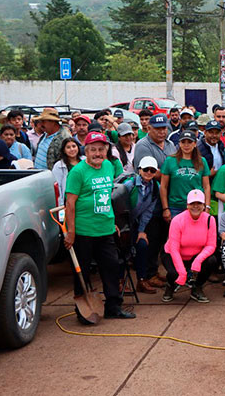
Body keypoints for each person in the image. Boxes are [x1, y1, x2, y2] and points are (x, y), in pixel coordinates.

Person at [64, 132, 135, 322]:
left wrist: (112, 222)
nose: (97, 153)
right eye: (93, 150)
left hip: (105, 229)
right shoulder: (77, 172)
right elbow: (70, 203)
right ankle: (83, 311)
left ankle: (113, 307)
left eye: (101, 149)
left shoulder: (108, 166)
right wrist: (70, 232)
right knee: (83, 273)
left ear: (106, 151)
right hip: (83, 231)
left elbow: (106, 196)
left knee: (111, 268)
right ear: (85, 151)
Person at [161, 189, 218, 303]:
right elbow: (174, 248)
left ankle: (197, 287)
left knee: (212, 261)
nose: (195, 206)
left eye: (199, 203)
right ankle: (170, 285)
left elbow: (211, 245)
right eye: (192, 203)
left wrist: (198, 261)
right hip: (173, 254)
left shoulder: (209, 220)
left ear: (204, 205)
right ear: (187, 205)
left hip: (195, 255)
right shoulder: (177, 220)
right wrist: (182, 272)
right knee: (174, 273)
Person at [121, 156, 163, 294]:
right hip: (121, 223)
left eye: (152, 170)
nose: (149, 173)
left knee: (143, 245)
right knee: (122, 252)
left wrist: (141, 231)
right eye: (146, 169)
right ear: (139, 169)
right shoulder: (129, 185)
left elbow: (148, 211)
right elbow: (118, 206)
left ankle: (141, 280)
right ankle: (119, 281)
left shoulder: (155, 187)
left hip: (135, 223)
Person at [160, 130, 211, 219]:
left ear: (195, 144)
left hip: (196, 205)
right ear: (179, 144)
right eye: (183, 142)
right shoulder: (170, 161)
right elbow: (163, 186)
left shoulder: (202, 161)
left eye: (189, 142)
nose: (186, 145)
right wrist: (165, 208)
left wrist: (207, 206)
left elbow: (206, 186)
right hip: (175, 206)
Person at [52, 138, 83, 205]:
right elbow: (58, 188)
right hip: (68, 201)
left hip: (84, 199)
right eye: (68, 147)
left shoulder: (85, 161)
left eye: (74, 146)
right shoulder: (59, 166)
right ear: (64, 150)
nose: (72, 149)